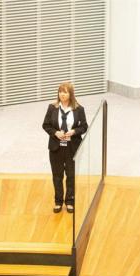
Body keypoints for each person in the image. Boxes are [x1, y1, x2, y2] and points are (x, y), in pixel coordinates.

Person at [42, 81, 88, 214]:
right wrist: (55, 133)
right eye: (60, 92)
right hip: (56, 147)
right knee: (57, 176)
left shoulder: (79, 109)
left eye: (65, 92)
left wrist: (74, 131)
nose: (62, 94)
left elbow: (84, 126)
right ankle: (58, 202)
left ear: (71, 94)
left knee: (71, 175)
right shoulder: (52, 108)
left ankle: (70, 202)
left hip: (71, 147)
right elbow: (46, 125)